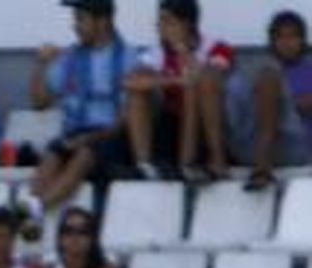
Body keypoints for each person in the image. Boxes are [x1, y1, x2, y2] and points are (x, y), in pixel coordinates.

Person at [21, 0, 135, 233]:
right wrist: (40, 66)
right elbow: (39, 103)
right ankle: (30, 208)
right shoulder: (70, 57)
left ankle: (38, 207)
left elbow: (126, 117)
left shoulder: (127, 57)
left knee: (84, 153)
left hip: (111, 136)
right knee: (53, 153)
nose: (75, 26)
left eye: (81, 19)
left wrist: (91, 138)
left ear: (103, 21)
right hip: (75, 132)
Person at [124, 0, 235, 182]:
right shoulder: (158, 52)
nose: (159, 27)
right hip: (171, 122)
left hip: (208, 125)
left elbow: (208, 78)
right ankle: (144, 165)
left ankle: (213, 160)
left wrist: (182, 50)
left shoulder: (217, 48)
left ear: (186, 24)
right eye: (159, 21)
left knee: (195, 87)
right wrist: (174, 80)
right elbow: (129, 81)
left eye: (167, 21)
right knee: (137, 95)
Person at [237, 10, 312, 191]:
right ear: (272, 41)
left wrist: (277, 100)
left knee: (269, 80)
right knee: (232, 84)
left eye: (293, 37)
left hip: (294, 145)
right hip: (253, 138)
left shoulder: (308, 71)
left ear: (302, 40)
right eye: (280, 37)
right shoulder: (257, 68)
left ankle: (262, 166)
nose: (286, 43)